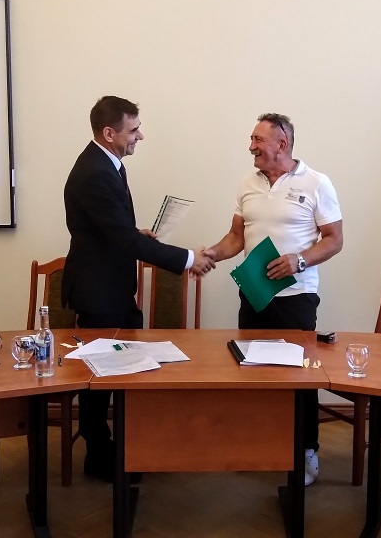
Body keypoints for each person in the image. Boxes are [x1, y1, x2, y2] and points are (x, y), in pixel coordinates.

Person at [62, 95, 214, 482]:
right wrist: (188, 258)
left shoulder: (107, 164)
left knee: (117, 373)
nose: (140, 136)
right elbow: (121, 240)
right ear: (108, 133)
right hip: (99, 294)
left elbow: (113, 231)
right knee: (99, 378)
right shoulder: (95, 172)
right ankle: (99, 457)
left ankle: (114, 449)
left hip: (112, 289)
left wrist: (133, 233)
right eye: (133, 130)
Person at [204, 113, 343, 486]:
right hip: (254, 293)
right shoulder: (247, 184)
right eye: (251, 139)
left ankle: (307, 450)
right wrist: (212, 254)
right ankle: (261, 444)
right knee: (253, 371)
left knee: (299, 376)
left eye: (257, 139)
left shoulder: (316, 183)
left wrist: (300, 260)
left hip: (296, 297)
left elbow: (334, 239)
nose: (250, 146)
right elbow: (236, 237)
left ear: (282, 144)